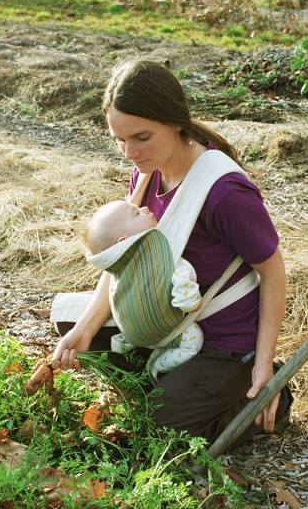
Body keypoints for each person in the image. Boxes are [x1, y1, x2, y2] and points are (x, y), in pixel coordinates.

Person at [52, 58, 291, 448]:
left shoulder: (225, 193)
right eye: (119, 139)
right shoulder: (147, 169)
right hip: (166, 325)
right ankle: (174, 387)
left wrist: (265, 365)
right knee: (70, 326)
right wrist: (86, 327)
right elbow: (122, 265)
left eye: (141, 137)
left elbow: (273, 273)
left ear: (175, 121)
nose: (129, 151)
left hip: (221, 342)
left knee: (158, 433)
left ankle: (253, 391)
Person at [84, 199, 205, 376]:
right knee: (193, 343)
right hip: (169, 327)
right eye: (136, 213)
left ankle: (131, 346)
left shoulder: (120, 269)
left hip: (132, 334)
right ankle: (157, 365)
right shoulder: (163, 255)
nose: (145, 208)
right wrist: (192, 301)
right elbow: (187, 294)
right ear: (124, 241)